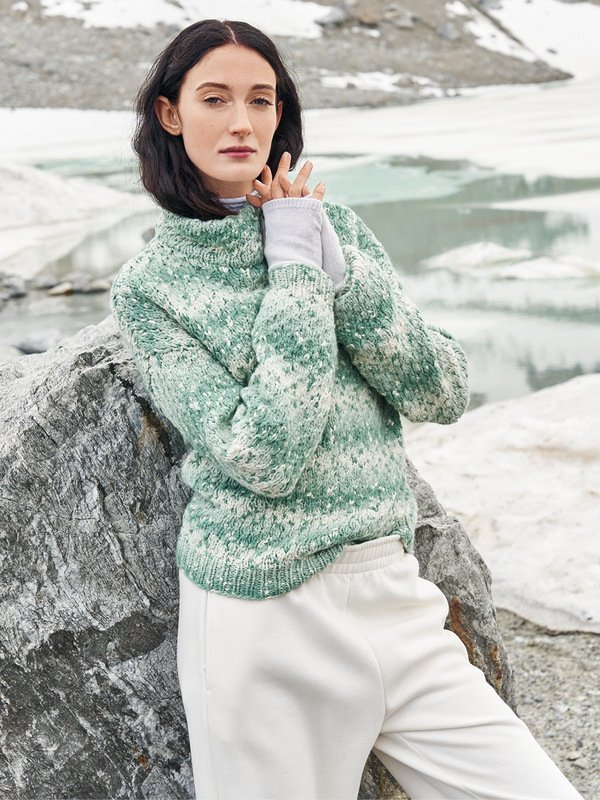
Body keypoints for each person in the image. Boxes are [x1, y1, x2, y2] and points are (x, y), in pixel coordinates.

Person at [109, 18, 584, 800]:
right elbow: (265, 456)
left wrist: (341, 276)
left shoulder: (334, 227)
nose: (241, 122)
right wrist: (296, 276)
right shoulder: (151, 290)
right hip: (262, 618)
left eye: (261, 100)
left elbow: (440, 389)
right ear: (169, 113)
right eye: (215, 98)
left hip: (392, 591)